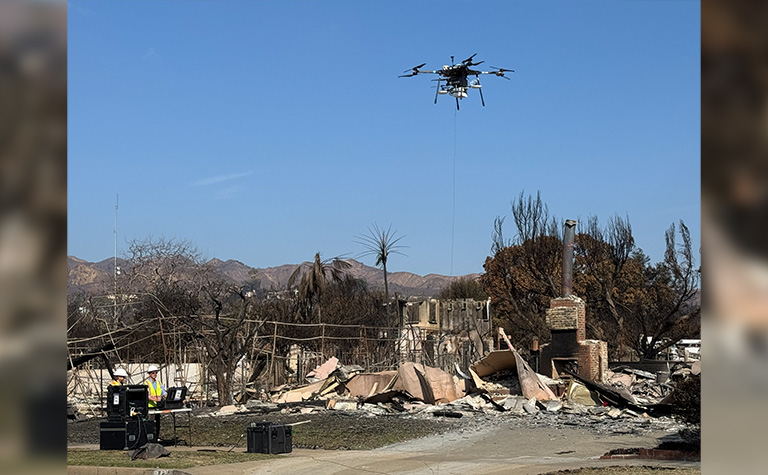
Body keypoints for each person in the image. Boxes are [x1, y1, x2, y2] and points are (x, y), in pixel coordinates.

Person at [144, 365, 166, 440]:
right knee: (150, 423)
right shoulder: (146, 383)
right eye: (153, 373)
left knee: (157, 423)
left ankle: (156, 437)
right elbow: (147, 396)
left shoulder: (158, 383)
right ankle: (149, 438)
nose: (155, 374)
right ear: (149, 374)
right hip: (150, 407)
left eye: (156, 372)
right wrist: (157, 399)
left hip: (158, 407)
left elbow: (163, 392)